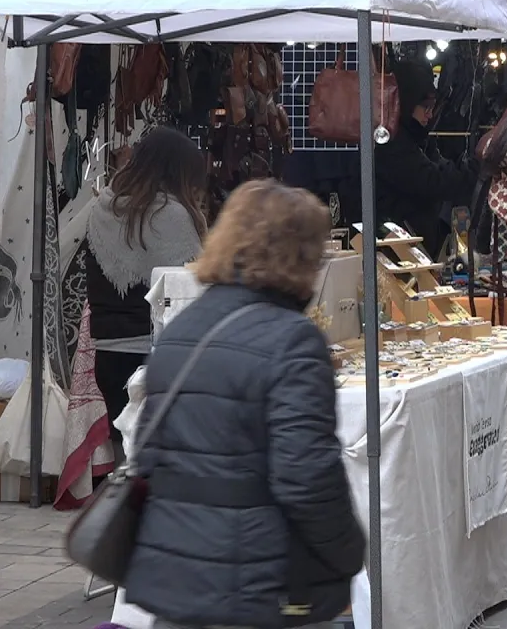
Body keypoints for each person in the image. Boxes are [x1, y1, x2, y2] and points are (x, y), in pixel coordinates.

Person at [123, 179, 367, 629]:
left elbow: (148, 455)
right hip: (257, 579)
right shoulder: (293, 341)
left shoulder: (181, 331)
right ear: (302, 256)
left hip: (175, 574)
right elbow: (306, 477)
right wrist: (350, 551)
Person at [85, 127, 206, 446]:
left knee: (126, 454)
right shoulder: (173, 216)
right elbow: (193, 285)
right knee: (159, 456)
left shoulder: (101, 207)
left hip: (108, 355)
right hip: (155, 356)